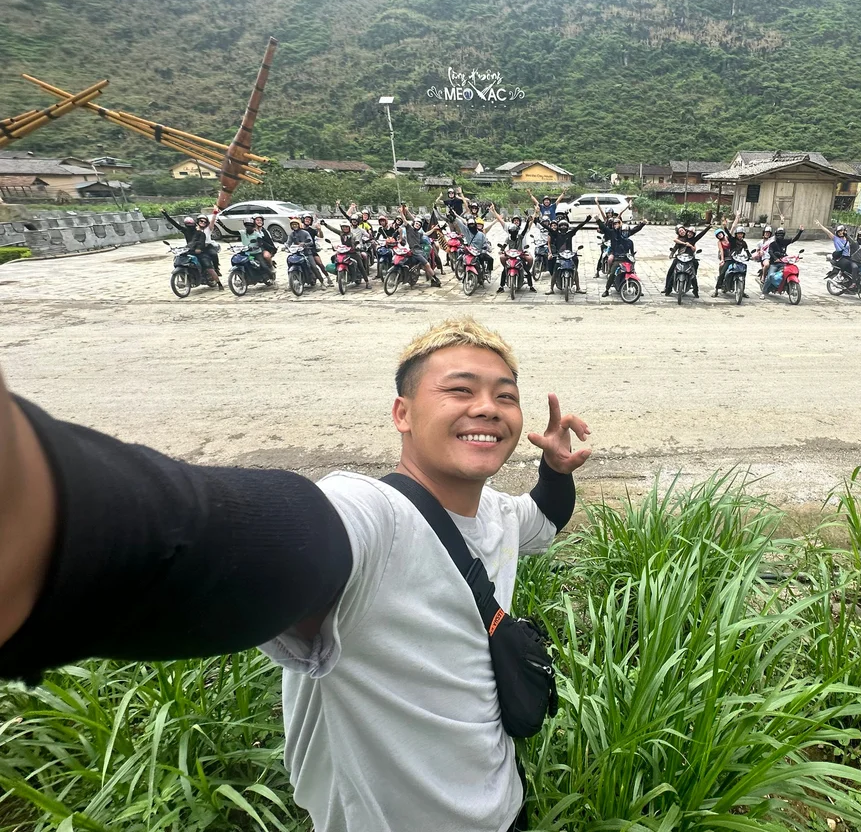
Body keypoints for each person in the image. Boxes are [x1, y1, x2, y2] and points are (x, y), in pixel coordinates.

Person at [0, 317, 592, 832]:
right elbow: (261, 539)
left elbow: (543, 518)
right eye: (460, 390)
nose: (487, 407)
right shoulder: (374, 518)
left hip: (503, 803)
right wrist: (48, 506)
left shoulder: (495, 514)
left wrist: (555, 469)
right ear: (403, 413)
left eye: (504, 396)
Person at [662, 224, 708, 297]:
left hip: (689, 258)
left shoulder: (693, 240)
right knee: (672, 272)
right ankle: (668, 289)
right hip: (680, 257)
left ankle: (695, 291)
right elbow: (675, 245)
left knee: (693, 273)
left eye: (682, 230)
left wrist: (708, 227)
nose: (689, 234)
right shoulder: (681, 239)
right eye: (680, 231)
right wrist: (671, 254)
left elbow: (701, 235)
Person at [759, 225, 805, 298]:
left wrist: (800, 231)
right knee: (770, 276)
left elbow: (794, 239)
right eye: (778, 234)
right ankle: (763, 293)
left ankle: (785, 286)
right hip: (774, 264)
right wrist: (775, 258)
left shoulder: (784, 242)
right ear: (776, 235)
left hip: (783, 263)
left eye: (782, 234)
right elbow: (770, 252)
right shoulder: (772, 244)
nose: (780, 236)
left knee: (788, 271)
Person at [287, 217, 328, 287]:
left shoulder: (305, 233)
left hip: (307, 253)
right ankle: (291, 280)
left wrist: (304, 244)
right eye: (293, 225)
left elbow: (310, 241)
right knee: (290, 262)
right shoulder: (291, 234)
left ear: (299, 225)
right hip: (297, 253)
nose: (294, 226)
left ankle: (322, 282)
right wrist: (286, 247)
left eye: (295, 224)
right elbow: (288, 243)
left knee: (313, 266)